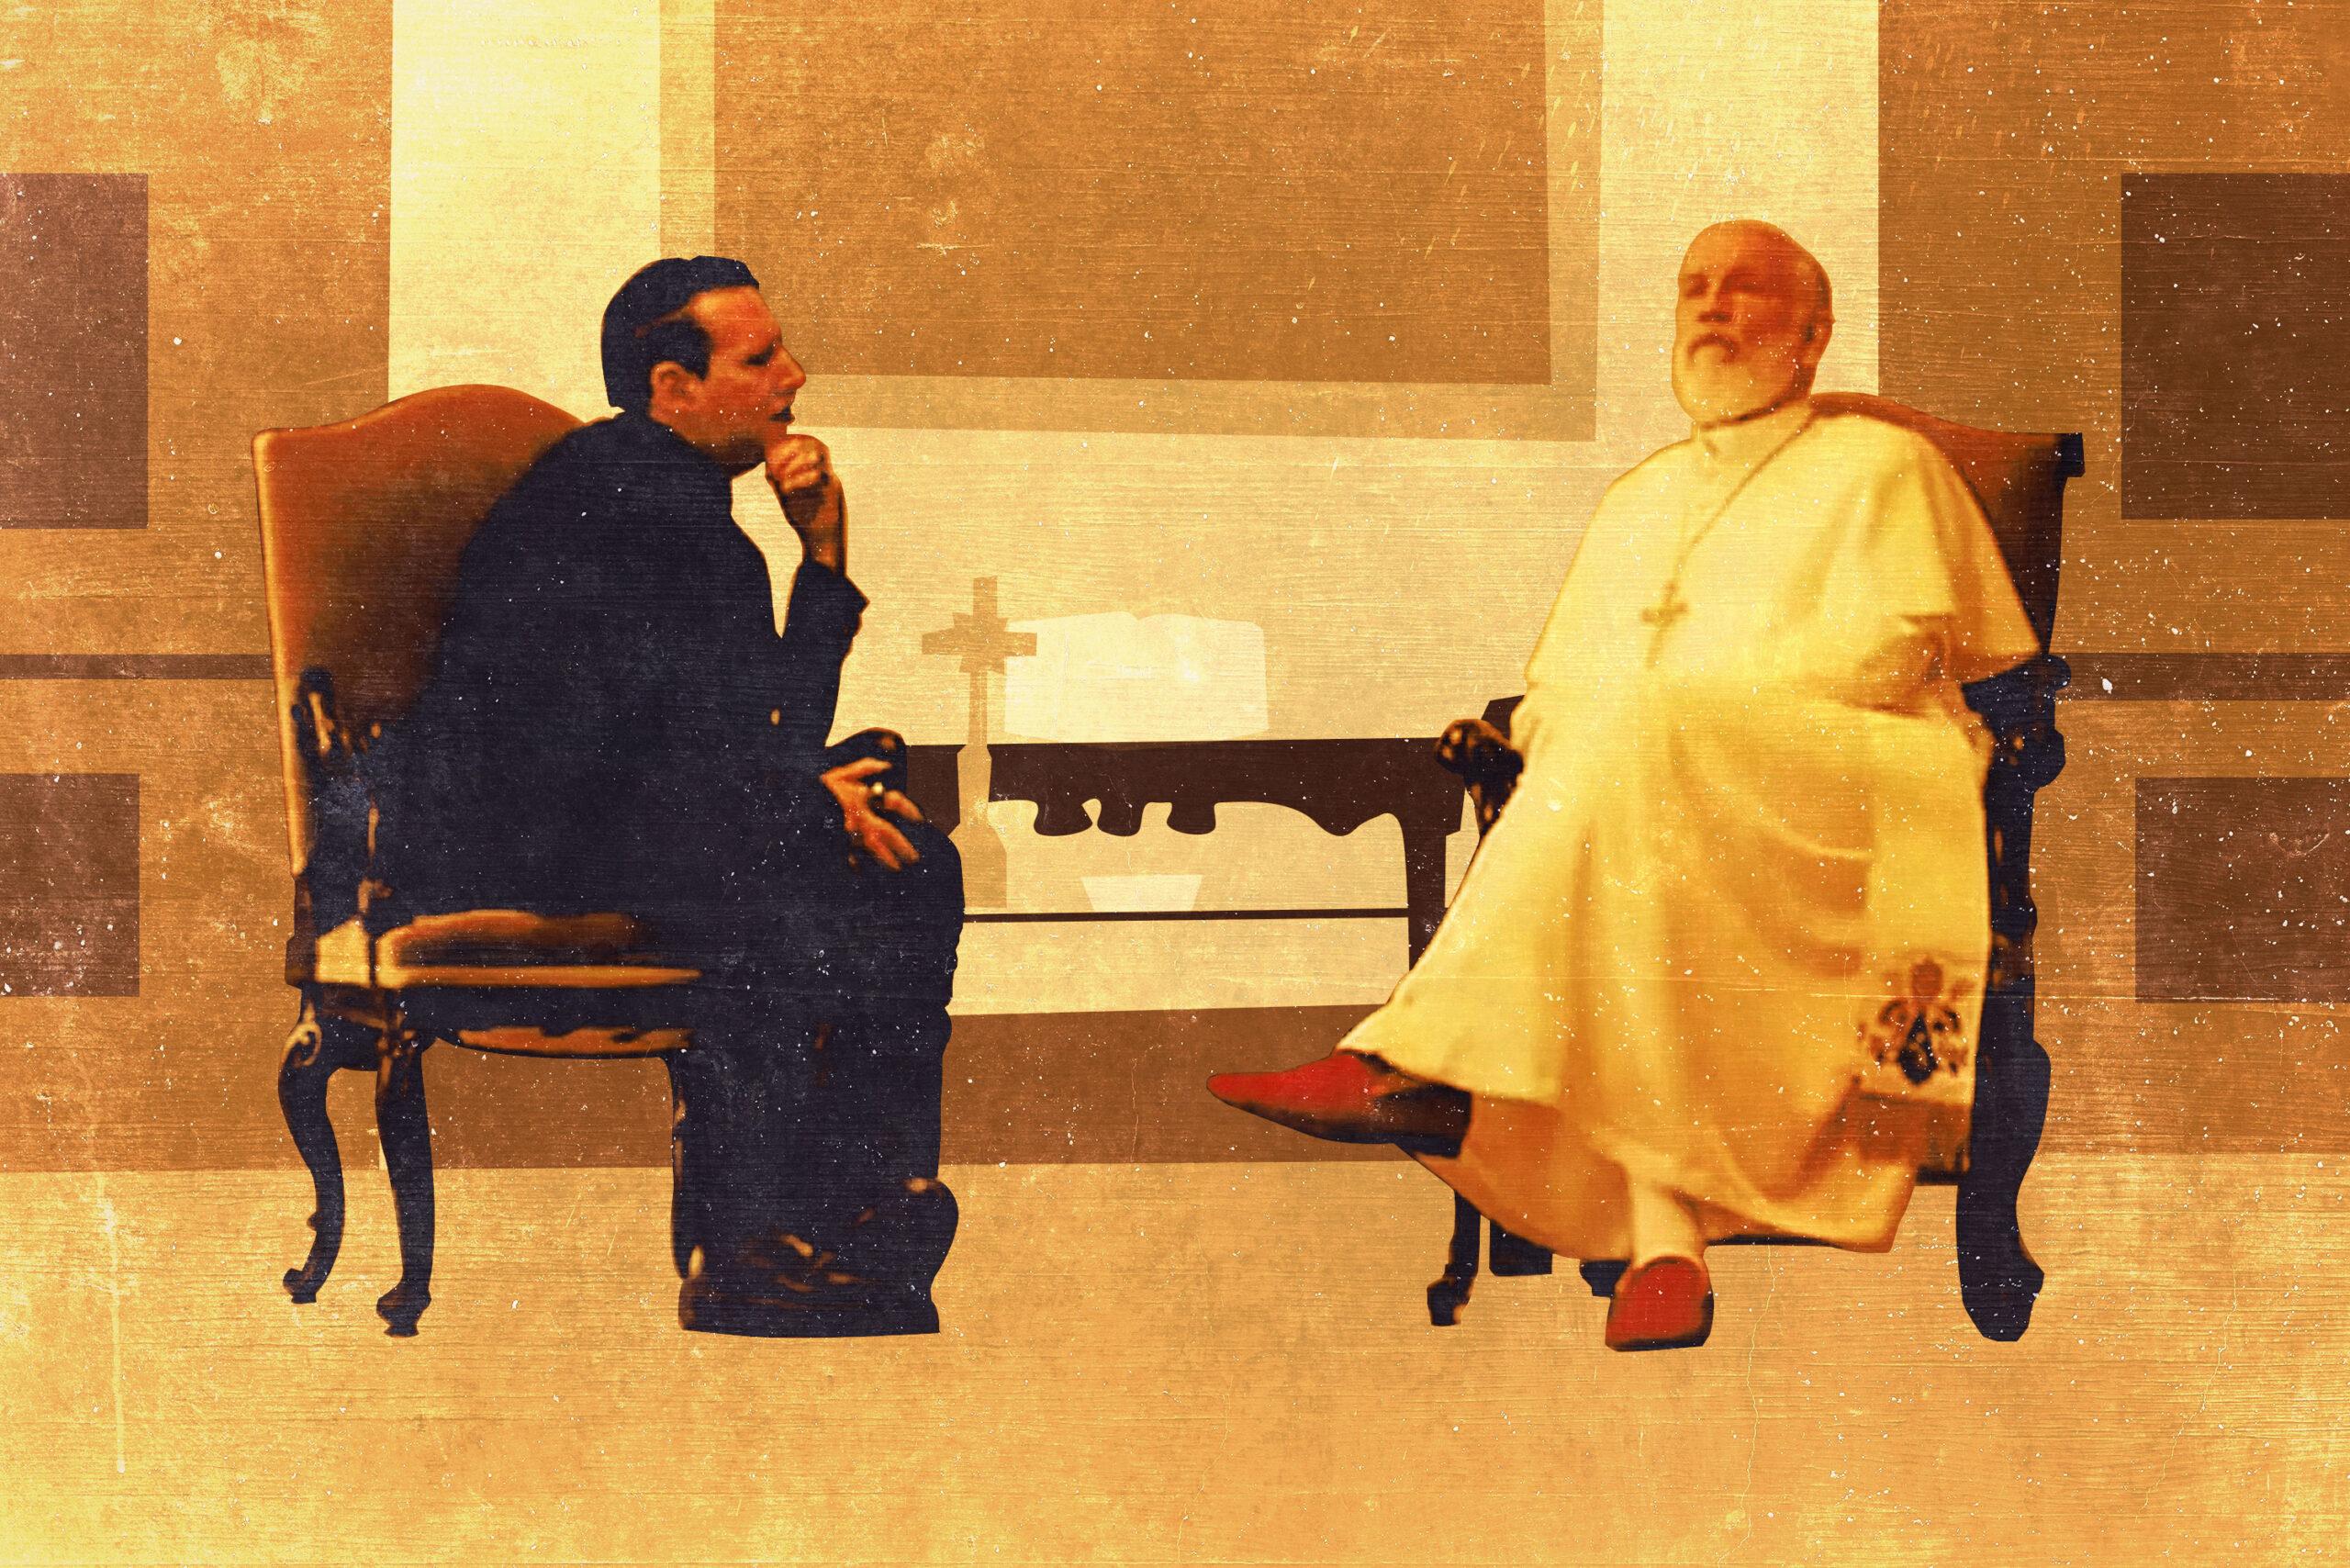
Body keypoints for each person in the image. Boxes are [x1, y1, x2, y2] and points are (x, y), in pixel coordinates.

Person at [1209, 220, 2041, 1350]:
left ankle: (1421, 1067)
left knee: (1643, 748)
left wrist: (1689, 713)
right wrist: (1635, 726)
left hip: (1856, 779)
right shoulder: (1637, 496)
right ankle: (1663, 1253)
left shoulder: (1882, 468)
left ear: (1812, 336)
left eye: (1744, 290)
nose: (1711, 308)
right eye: (1694, 287)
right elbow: (1554, 688)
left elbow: (1888, 657)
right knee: (1632, 832)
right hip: (1666, 793)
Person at [378, 255, 964, 1338]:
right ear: (672, 388)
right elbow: (620, 757)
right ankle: (755, 1245)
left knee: (896, 849)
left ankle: (853, 1216)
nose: (794, 375)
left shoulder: (677, 504)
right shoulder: (629, 509)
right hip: (516, 844)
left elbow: (747, 739)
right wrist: (797, 794)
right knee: (826, 856)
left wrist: (822, 555)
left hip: (615, 815)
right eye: (760, 358)